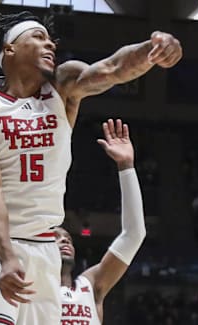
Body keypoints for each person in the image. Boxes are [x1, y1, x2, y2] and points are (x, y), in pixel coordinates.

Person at [0, 11, 181, 324]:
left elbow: (114, 68)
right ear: (9, 49)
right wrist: (6, 256)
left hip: (44, 248)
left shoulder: (62, 87)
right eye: (38, 38)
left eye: (51, 41)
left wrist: (153, 49)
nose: (49, 45)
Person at [56, 118, 145, 325]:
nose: (64, 241)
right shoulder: (31, 289)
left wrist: (126, 165)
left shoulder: (90, 286)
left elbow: (134, 235)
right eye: (54, 237)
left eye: (67, 237)